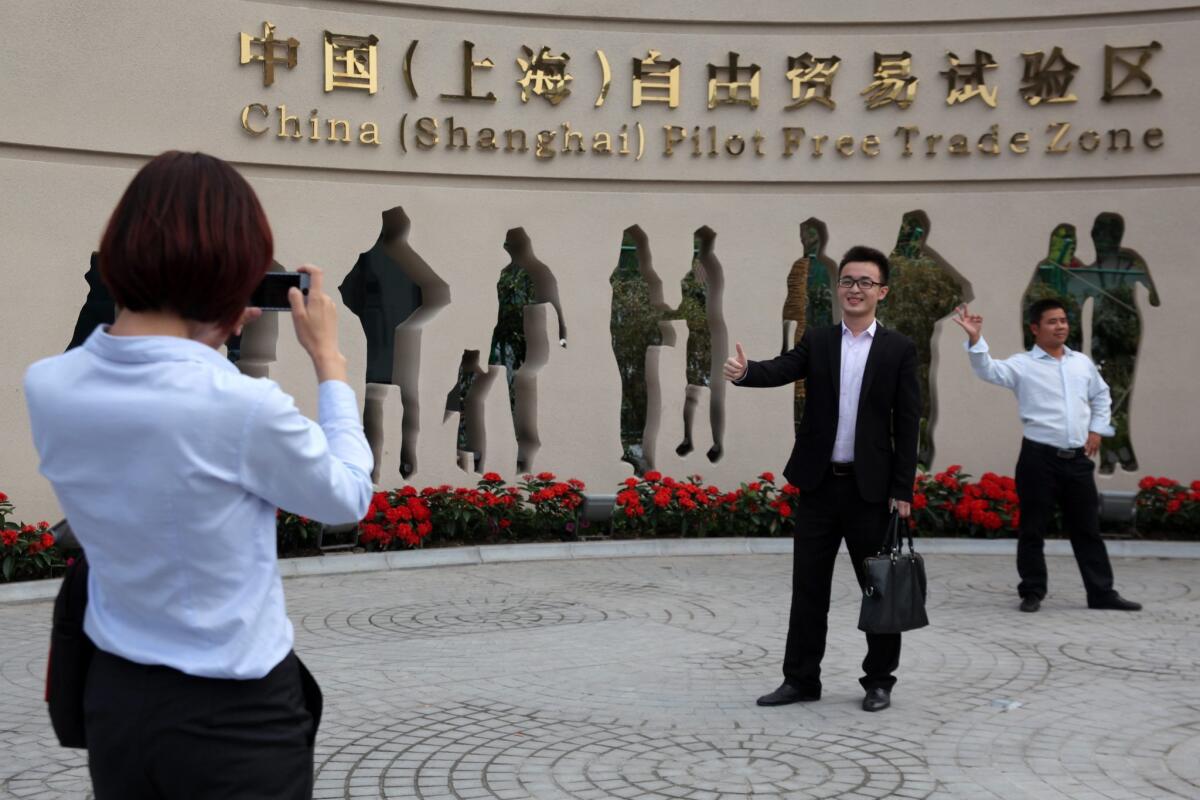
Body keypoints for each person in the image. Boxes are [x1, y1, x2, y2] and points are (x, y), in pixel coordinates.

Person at [24, 151, 374, 799]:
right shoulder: (237, 407)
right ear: (231, 275)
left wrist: (213, 324)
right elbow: (345, 495)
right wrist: (329, 364)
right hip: (234, 719)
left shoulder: (48, 385)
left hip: (115, 702)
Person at [724, 245, 920, 713]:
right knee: (808, 589)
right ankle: (800, 680)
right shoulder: (820, 340)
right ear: (839, 289)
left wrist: (902, 490)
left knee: (878, 587)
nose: (855, 289)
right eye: (848, 281)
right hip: (818, 487)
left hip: (869, 491)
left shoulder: (898, 349)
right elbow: (783, 368)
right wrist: (747, 372)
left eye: (865, 282)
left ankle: (878, 681)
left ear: (882, 292)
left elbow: (908, 422)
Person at [952, 299, 1141, 613]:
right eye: (1052, 321)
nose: (1061, 326)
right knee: (1032, 528)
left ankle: (1101, 593)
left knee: (1087, 529)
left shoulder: (1081, 363)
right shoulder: (1022, 365)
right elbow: (989, 370)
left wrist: (1096, 429)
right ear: (1035, 328)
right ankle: (1032, 591)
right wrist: (975, 339)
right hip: (1038, 459)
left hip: (1078, 460)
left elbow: (1101, 395)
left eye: (1064, 320)